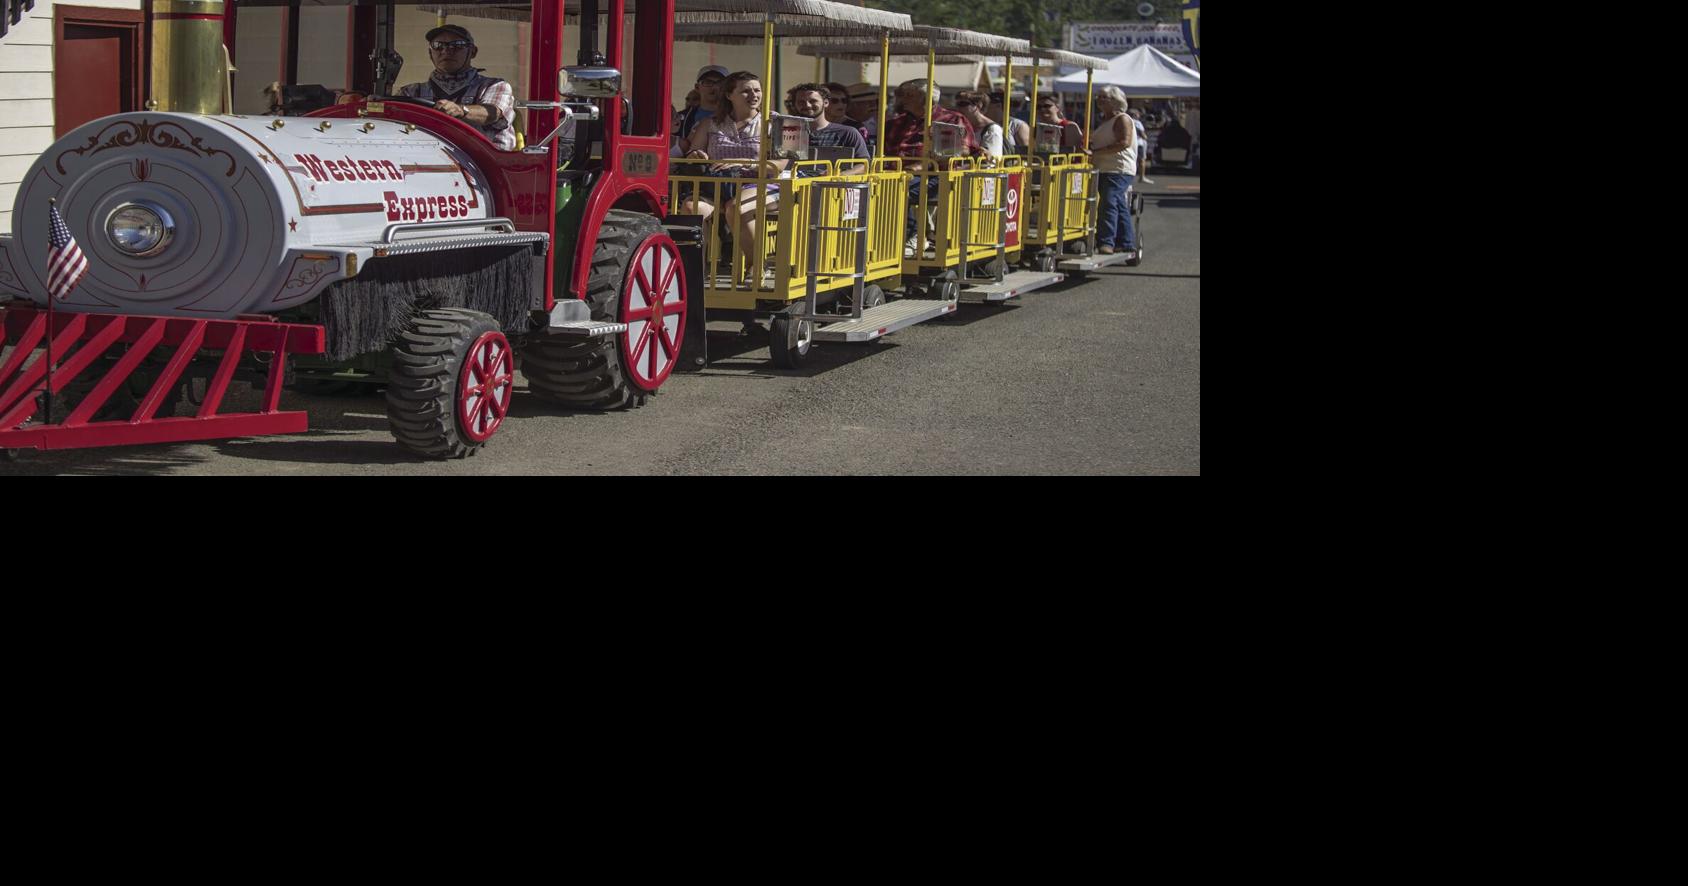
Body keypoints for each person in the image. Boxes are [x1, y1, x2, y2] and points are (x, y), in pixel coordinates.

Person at [681, 71, 788, 281]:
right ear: (729, 95)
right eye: (745, 91)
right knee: (691, 207)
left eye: (757, 90)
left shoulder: (774, 123)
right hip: (720, 186)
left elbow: (781, 163)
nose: (753, 95)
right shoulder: (710, 124)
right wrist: (698, 154)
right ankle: (694, 272)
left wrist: (745, 163)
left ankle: (755, 264)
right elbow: (692, 154)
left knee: (736, 207)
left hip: (761, 184)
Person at [883, 79, 981, 256]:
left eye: (909, 95)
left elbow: (961, 150)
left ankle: (915, 235)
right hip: (896, 173)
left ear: (927, 99)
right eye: (903, 94)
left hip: (936, 175)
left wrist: (921, 165)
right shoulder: (896, 123)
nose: (903, 99)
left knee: (899, 187)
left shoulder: (951, 120)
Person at [396, 24, 517, 150]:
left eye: (457, 45)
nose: (446, 50)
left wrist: (461, 110)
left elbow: (492, 113)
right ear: (430, 53)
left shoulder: (494, 86)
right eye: (438, 46)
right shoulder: (410, 92)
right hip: (422, 158)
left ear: (473, 52)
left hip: (484, 162)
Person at [1086, 85, 1135, 257]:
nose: (1099, 100)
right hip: (1105, 168)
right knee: (1118, 204)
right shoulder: (1105, 120)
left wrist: (1095, 152)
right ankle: (1127, 242)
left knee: (1108, 202)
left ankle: (1107, 242)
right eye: (1098, 97)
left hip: (1118, 169)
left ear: (1115, 100)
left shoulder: (1122, 119)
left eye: (1103, 97)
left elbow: (1124, 142)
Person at [786, 83, 868, 176]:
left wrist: (840, 175)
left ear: (826, 103)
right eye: (801, 102)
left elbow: (864, 165)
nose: (807, 105)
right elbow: (783, 163)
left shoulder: (848, 132)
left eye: (813, 101)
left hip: (832, 187)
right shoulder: (790, 132)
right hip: (795, 186)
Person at [677, 64, 728, 144]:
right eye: (708, 82)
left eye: (720, 83)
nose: (714, 87)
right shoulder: (680, 118)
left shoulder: (736, 115)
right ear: (697, 87)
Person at [953, 91, 1002, 158]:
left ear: (978, 105)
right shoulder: (961, 126)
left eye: (962, 104)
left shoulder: (992, 129)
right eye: (956, 104)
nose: (957, 108)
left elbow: (991, 161)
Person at [989, 91, 1031, 155]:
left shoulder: (1018, 125)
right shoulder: (985, 125)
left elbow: (1026, 153)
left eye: (987, 104)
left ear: (998, 106)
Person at [1128, 107, 1154, 184]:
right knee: (1141, 161)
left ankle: (1130, 177)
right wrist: (1145, 137)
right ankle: (1142, 177)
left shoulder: (1127, 121)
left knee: (1131, 160)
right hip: (1139, 144)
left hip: (1130, 143)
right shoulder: (1137, 123)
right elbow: (1143, 135)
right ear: (1135, 115)